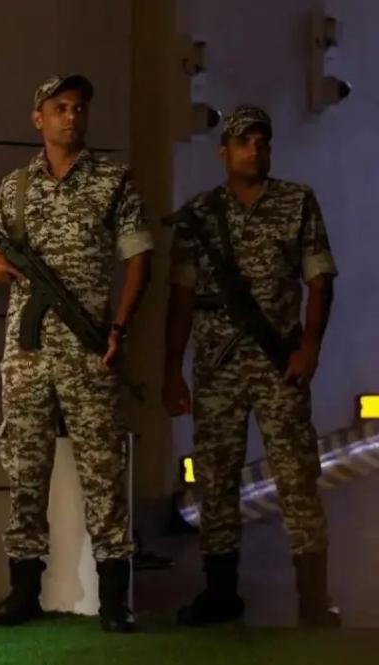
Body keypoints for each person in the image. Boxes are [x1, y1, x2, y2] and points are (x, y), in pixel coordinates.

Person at [0, 74, 153, 633]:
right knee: (24, 468)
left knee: (103, 471)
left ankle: (114, 597)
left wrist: (119, 328)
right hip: (26, 353)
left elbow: (139, 259)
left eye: (79, 108)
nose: (71, 117)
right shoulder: (15, 187)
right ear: (39, 118)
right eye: (60, 108)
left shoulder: (111, 180)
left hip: (89, 351)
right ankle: (23, 589)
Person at [163, 105, 340, 627]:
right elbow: (180, 298)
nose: (255, 150)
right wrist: (172, 370)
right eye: (244, 142)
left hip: (278, 364)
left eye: (262, 142)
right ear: (224, 152)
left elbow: (319, 280)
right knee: (215, 478)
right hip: (216, 368)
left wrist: (310, 347)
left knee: (296, 476)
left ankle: (313, 598)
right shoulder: (198, 215)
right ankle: (220, 592)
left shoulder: (296, 202)